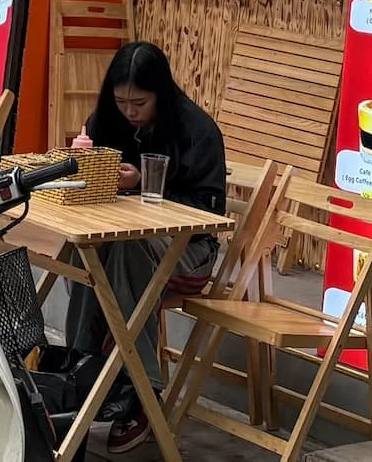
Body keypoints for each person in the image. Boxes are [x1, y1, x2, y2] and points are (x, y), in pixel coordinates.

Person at [66, 41, 227, 453]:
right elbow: (87, 183)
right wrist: (83, 163)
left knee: (123, 253)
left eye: (139, 102)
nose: (129, 111)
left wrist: (144, 184)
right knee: (78, 250)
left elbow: (208, 212)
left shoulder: (197, 130)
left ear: (161, 93)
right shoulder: (107, 120)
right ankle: (83, 367)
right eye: (120, 101)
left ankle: (139, 387)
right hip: (126, 240)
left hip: (188, 252)